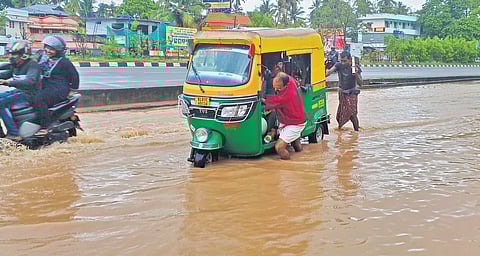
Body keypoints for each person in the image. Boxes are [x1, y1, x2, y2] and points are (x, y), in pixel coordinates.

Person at [33, 35, 79, 128]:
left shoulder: (64, 62)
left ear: (58, 51)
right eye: (47, 48)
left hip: (58, 89)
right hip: (45, 86)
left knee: (39, 100)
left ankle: (45, 126)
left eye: (52, 49)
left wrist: (72, 91)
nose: (48, 51)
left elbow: (75, 77)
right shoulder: (42, 58)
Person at [0, 40, 43, 139]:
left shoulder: (32, 65)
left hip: (29, 95)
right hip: (19, 93)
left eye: (14, 54)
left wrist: (8, 82)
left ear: (24, 55)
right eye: (10, 54)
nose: (11, 57)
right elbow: (6, 74)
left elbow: (30, 81)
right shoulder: (17, 66)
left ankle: (14, 133)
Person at [264, 72, 305, 160]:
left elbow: (269, 102)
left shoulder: (285, 97)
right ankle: (301, 156)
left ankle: (288, 166)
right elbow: (282, 74)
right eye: (274, 86)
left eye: (277, 88)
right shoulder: (291, 81)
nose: (275, 89)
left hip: (294, 123)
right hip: (293, 118)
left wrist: (261, 98)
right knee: (296, 145)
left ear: (285, 85)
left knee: (279, 147)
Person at [326, 51, 362, 131]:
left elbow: (360, 83)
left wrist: (356, 74)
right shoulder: (338, 65)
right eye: (341, 60)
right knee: (340, 114)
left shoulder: (355, 68)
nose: (343, 63)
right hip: (342, 92)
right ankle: (340, 131)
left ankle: (356, 132)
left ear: (349, 60)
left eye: (345, 61)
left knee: (352, 114)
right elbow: (329, 72)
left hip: (351, 92)